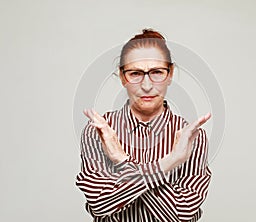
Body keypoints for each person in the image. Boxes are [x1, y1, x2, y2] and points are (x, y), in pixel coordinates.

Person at [76, 29, 212, 222]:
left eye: (157, 72)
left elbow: (182, 215)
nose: (147, 85)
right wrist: (169, 163)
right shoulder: (98, 131)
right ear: (123, 77)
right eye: (135, 73)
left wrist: (123, 162)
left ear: (170, 74)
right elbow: (99, 205)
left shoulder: (192, 137)